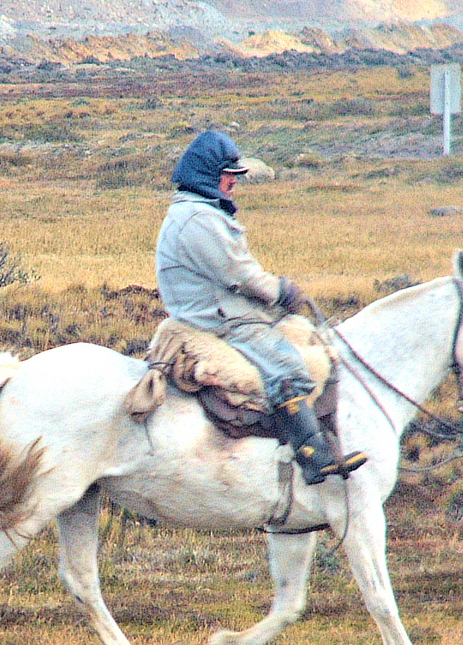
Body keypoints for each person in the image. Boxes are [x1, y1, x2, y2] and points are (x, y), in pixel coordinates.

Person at [155, 130, 366, 484]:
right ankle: (313, 456)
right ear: (210, 174)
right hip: (220, 321)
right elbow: (239, 273)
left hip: (219, 311)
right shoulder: (198, 219)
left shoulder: (197, 213)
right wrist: (280, 291)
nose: (234, 182)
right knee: (288, 365)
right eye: (229, 175)